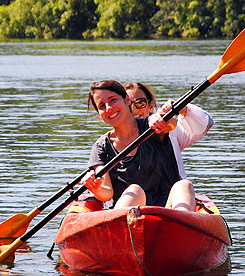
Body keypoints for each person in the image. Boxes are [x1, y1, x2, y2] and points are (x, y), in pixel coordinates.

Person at [81, 80, 196, 211]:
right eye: (102, 106)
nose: (109, 108)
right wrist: (95, 187)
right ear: (99, 114)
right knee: (135, 190)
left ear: (127, 99)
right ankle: (122, 226)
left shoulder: (151, 126)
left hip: (167, 212)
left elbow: (171, 124)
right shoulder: (101, 147)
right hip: (128, 217)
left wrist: (160, 119)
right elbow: (107, 193)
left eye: (113, 100)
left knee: (184, 185)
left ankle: (180, 227)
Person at [124, 82, 213, 179]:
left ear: (151, 106)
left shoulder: (171, 130)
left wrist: (182, 109)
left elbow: (205, 125)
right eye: (128, 105)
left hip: (175, 191)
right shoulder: (115, 139)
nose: (134, 110)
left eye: (140, 103)